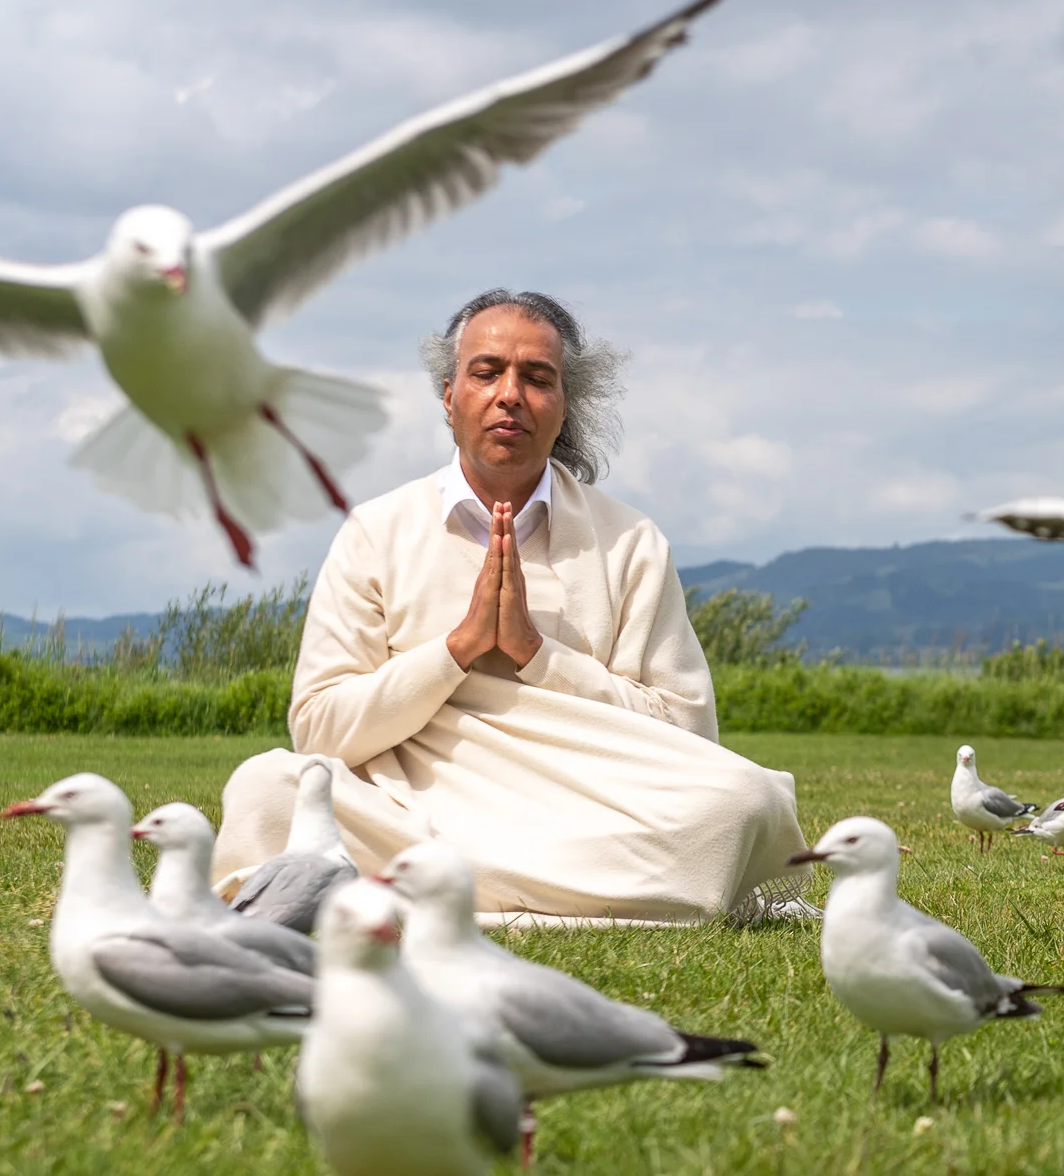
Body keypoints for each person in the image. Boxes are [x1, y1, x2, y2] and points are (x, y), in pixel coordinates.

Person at [210, 290, 805, 925]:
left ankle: (400, 890)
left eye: (537, 378)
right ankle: (563, 894)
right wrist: (456, 649)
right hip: (408, 810)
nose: (510, 395)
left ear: (563, 404)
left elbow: (687, 738)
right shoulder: (376, 531)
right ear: (449, 396)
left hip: (583, 810)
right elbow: (320, 728)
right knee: (268, 787)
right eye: (487, 372)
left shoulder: (629, 542)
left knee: (740, 801)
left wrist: (536, 654)